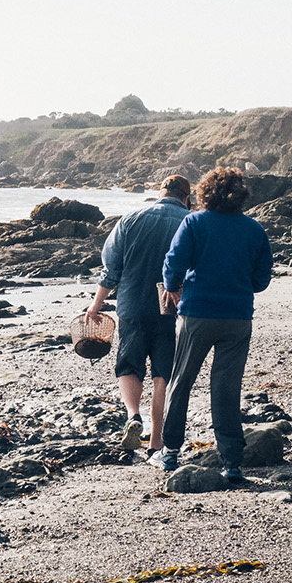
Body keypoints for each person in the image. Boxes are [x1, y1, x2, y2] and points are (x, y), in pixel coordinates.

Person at [155, 167, 274, 484]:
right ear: (241, 195)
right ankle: (232, 462)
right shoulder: (254, 229)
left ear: (206, 192)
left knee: (182, 381)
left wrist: (173, 285)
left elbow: (173, 264)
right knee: (226, 389)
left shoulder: (194, 222)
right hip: (237, 316)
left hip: (197, 313)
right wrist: (239, 283)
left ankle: (170, 452)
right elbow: (262, 279)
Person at [85, 175, 193, 456]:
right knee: (163, 373)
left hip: (132, 303)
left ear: (160, 193)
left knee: (129, 364)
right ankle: (156, 441)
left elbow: (111, 269)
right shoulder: (191, 221)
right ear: (187, 197)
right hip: (172, 306)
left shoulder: (130, 219)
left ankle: (133, 415)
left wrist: (96, 304)